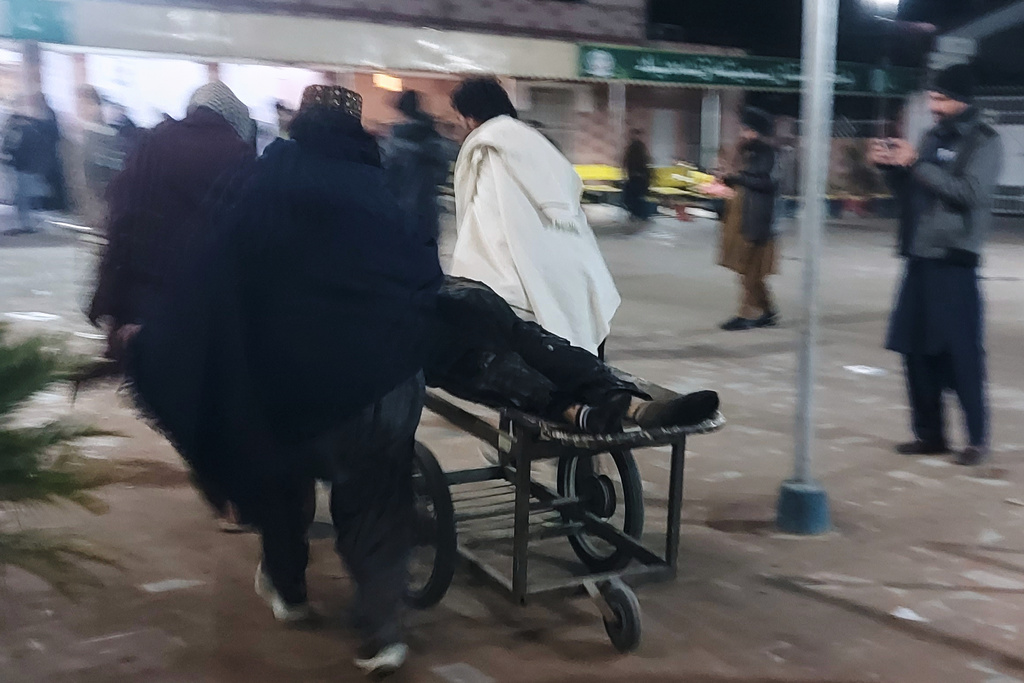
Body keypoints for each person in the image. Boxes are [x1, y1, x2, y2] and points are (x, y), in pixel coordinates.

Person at [125, 85, 441, 677]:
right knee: (377, 499)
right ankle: (381, 630)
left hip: (292, 381)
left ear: (300, 124)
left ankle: (290, 592)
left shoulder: (262, 181)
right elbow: (427, 270)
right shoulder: (384, 185)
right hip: (383, 381)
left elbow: (211, 271)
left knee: (281, 484)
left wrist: (163, 342)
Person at [869, 63, 1003, 467]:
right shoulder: (931, 137)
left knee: (960, 354)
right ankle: (930, 435)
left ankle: (976, 440)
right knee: (914, 351)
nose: (933, 105)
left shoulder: (984, 142)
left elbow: (970, 193)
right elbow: (914, 190)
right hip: (918, 258)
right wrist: (890, 168)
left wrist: (916, 165)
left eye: (940, 98)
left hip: (953, 261)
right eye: (931, 97)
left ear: (961, 99)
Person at [449, 76, 620, 356]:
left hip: (532, 320)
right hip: (581, 275)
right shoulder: (536, 142)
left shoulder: (488, 147)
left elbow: (491, 226)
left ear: (470, 116)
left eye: (460, 117)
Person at [429, 277, 720, 433]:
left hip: (454, 296)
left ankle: (632, 405)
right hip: (423, 326)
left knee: (539, 345)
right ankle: (576, 413)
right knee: (486, 361)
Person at [88, 81, 258, 341]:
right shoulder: (239, 155)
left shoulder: (153, 142)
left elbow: (121, 220)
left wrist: (109, 297)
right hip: (201, 308)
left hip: (142, 305)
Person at [717, 106, 780, 331]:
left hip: (757, 221)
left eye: (746, 129)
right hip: (744, 218)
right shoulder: (747, 152)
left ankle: (747, 314)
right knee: (749, 271)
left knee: (750, 270)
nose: (742, 133)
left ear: (756, 131)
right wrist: (731, 179)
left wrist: (737, 178)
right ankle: (768, 311)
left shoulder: (767, 153)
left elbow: (767, 183)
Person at [381, 90, 451, 247]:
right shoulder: (432, 137)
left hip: (400, 208)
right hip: (426, 206)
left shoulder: (395, 142)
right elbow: (442, 173)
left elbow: (387, 175)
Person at [1, 96, 50, 235]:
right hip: (32, 167)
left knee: (23, 197)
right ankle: (33, 222)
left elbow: (10, 147)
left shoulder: (18, 131)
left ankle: (27, 224)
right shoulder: (34, 129)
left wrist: (8, 158)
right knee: (31, 196)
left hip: (22, 167)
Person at [622, 129, 652, 221]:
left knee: (633, 196)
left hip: (638, 177)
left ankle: (638, 213)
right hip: (637, 177)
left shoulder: (636, 148)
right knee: (634, 196)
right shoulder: (637, 148)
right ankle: (638, 213)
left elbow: (627, 162)